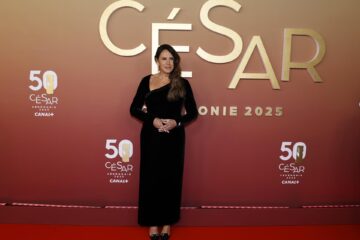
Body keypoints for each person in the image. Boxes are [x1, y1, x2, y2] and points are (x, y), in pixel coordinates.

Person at [130, 44, 198, 240]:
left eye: (171, 59)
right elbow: (134, 109)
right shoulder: (146, 81)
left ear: (175, 61)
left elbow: (193, 113)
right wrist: (152, 119)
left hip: (173, 138)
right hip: (151, 136)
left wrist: (176, 122)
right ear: (157, 61)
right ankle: (152, 224)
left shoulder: (182, 83)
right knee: (151, 178)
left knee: (170, 179)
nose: (168, 62)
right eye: (164, 59)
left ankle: (167, 224)